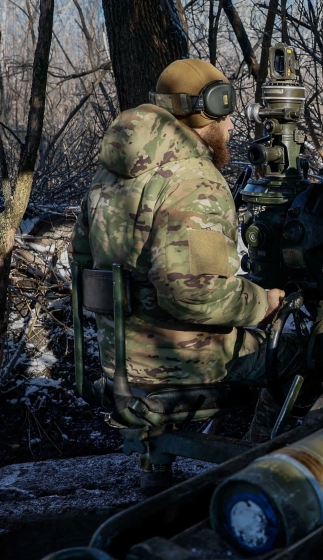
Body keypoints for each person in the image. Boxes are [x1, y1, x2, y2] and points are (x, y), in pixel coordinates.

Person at [71, 58, 297, 477]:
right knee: (302, 350)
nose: (231, 127)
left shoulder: (109, 174)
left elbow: (82, 262)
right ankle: (265, 466)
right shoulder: (194, 182)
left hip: (118, 360)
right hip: (179, 362)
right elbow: (195, 293)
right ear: (202, 113)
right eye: (224, 116)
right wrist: (263, 303)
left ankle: (158, 464)